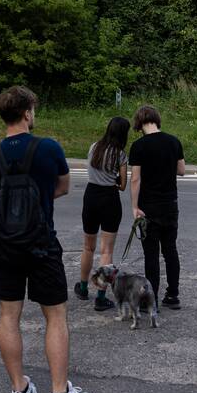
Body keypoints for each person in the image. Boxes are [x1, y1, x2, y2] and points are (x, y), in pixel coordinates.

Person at [0, 86, 92, 393]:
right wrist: (38, 200)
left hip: (4, 246)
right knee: (55, 317)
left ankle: (19, 390)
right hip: (42, 244)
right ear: (28, 112)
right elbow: (63, 186)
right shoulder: (48, 148)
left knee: (8, 316)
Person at [128, 105, 185, 310]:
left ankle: (150, 298)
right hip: (170, 205)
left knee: (151, 254)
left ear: (140, 123)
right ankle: (173, 295)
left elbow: (135, 179)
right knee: (170, 250)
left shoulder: (139, 146)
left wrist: (134, 207)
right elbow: (182, 170)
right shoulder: (173, 141)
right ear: (156, 120)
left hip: (148, 208)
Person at [74, 116, 130, 311]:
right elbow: (122, 185)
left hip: (91, 196)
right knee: (106, 250)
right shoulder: (120, 155)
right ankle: (100, 296)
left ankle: (82, 287)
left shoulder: (94, 147)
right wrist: (114, 178)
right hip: (109, 199)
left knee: (88, 246)